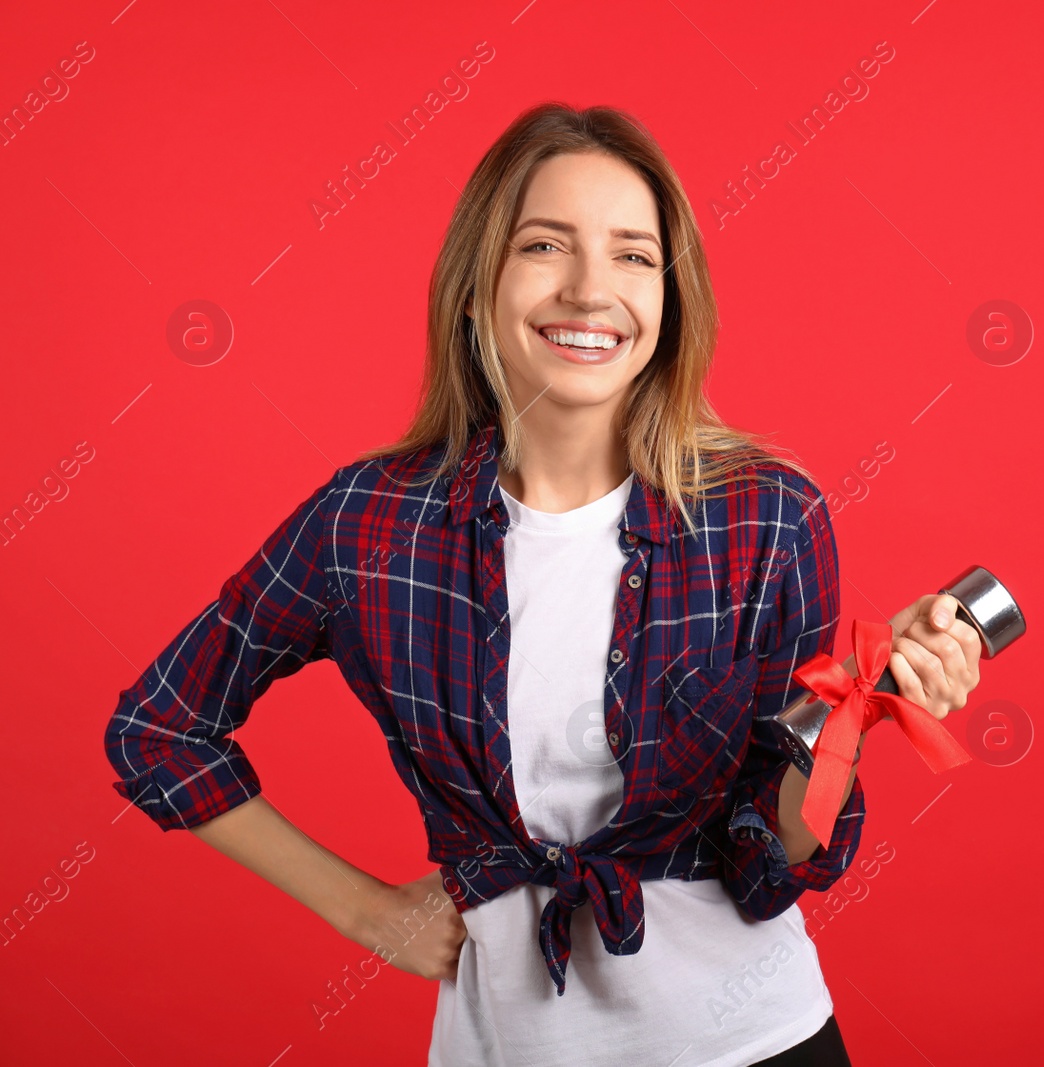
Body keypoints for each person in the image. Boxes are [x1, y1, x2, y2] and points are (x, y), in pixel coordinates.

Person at [104, 102, 981, 1067]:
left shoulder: (768, 515)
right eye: (544, 245)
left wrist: (855, 710)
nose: (589, 290)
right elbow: (160, 729)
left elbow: (780, 846)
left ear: (671, 299)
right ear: (477, 286)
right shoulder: (372, 521)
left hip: (760, 1042)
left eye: (634, 256)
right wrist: (367, 913)